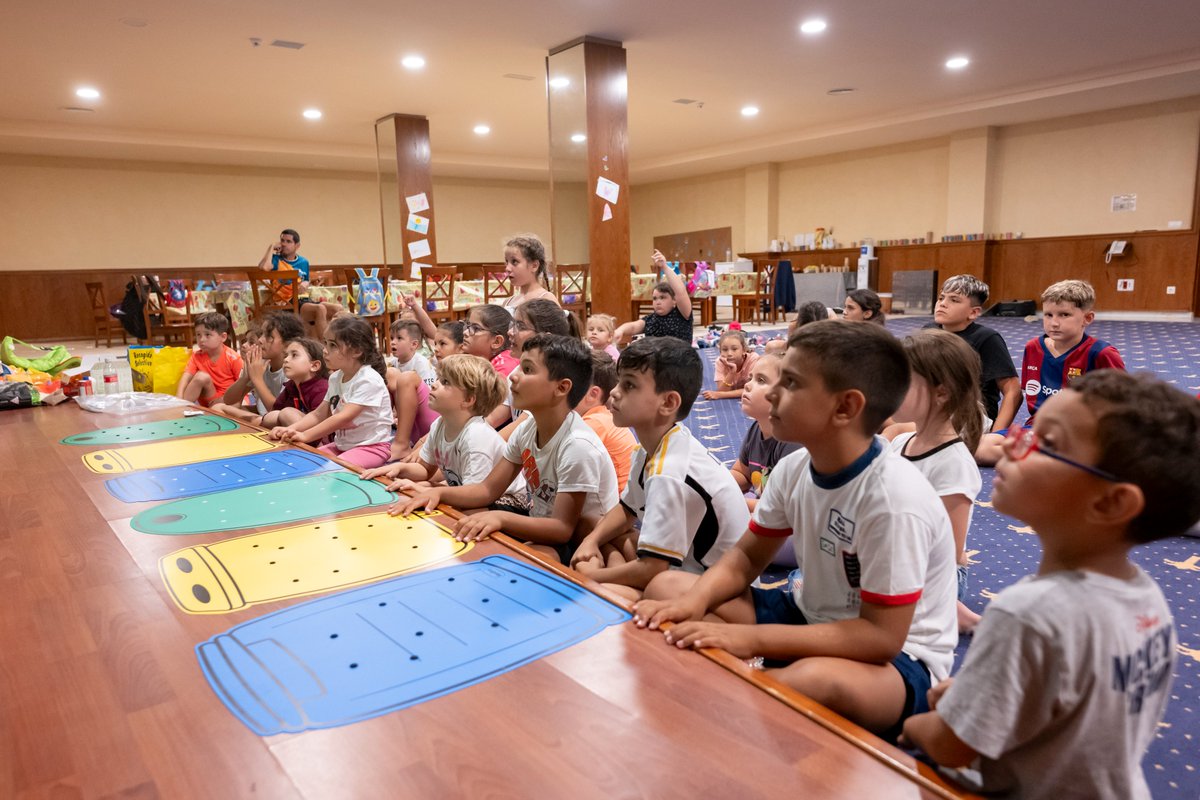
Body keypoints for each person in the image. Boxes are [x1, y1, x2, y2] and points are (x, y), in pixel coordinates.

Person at [633, 320, 957, 739]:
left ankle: (747, 693)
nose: (771, 394)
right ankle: (756, 677)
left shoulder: (893, 500)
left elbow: (880, 638)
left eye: (790, 383)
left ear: (845, 408)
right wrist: (695, 602)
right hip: (811, 617)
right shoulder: (793, 468)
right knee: (669, 589)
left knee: (817, 682)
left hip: (899, 661)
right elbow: (747, 557)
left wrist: (751, 640)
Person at [902, 371, 1200, 800]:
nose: (1012, 446)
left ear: (1112, 502)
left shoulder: (1028, 612)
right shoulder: (1147, 598)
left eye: (1048, 444)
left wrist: (915, 722)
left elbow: (950, 745)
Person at [396, 334, 618, 563]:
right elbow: (486, 490)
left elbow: (562, 529)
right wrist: (438, 492)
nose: (513, 376)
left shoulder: (577, 445)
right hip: (542, 525)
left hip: (586, 542)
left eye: (528, 370)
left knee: (522, 559)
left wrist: (500, 518)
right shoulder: (527, 430)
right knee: (468, 520)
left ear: (561, 388)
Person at [571, 337, 749, 601]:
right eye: (620, 381)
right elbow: (627, 510)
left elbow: (654, 569)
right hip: (675, 567)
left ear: (668, 403)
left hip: (710, 586)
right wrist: (592, 541)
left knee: (591, 592)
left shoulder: (669, 471)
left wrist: (588, 577)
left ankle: (609, 579)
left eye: (629, 385)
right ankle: (611, 569)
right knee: (593, 526)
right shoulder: (655, 444)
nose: (616, 392)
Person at [885, 329, 985, 633]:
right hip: (892, 554)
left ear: (941, 393)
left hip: (934, 575)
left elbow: (949, 555)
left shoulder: (953, 464)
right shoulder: (899, 443)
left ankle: (958, 614)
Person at [975, 279, 1126, 466]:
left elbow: (1123, 404)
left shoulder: (1101, 353)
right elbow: (1033, 395)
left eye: (1064, 315)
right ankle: (1052, 459)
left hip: (1079, 433)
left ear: (1087, 318)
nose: (1054, 323)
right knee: (981, 448)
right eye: (1048, 315)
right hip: (1038, 428)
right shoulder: (1033, 347)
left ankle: (1052, 458)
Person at [362, 354, 527, 510]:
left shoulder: (476, 435)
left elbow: (475, 496)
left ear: (468, 400)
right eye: (439, 378)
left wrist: (427, 490)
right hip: (469, 493)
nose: (434, 384)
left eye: (445, 382)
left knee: (447, 514)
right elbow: (426, 470)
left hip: (508, 500)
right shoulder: (440, 424)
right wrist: (400, 468)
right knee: (410, 490)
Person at [268, 316, 394, 469]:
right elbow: (318, 414)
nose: (325, 350)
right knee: (305, 462)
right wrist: (291, 429)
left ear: (357, 351)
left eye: (333, 345)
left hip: (372, 448)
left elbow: (343, 417)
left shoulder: (367, 379)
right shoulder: (335, 377)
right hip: (342, 446)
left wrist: (305, 435)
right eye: (325, 343)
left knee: (330, 470)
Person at [925, 275, 1019, 438]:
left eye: (954, 300)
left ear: (973, 312)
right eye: (941, 298)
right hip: (933, 407)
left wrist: (995, 435)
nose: (943, 304)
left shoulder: (986, 338)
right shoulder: (928, 331)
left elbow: (1013, 391)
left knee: (898, 431)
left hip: (969, 415)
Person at [730, 352, 800, 512]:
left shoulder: (792, 442)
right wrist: (717, 486)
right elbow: (742, 473)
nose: (747, 385)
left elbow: (783, 509)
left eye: (761, 380)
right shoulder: (757, 428)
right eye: (750, 378)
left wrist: (730, 501)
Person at [212, 311, 305, 423]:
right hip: (264, 417)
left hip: (281, 421)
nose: (260, 340)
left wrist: (257, 379)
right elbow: (229, 400)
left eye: (268, 336)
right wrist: (245, 378)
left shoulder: (291, 369)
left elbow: (278, 411)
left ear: (288, 343)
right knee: (217, 407)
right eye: (262, 334)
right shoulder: (261, 363)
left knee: (268, 418)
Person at [574, 351, 637, 492]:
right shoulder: (599, 416)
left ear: (593, 394)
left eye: (570, 383)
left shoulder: (594, 423)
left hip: (619, 504)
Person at [615, 249, 694, 345]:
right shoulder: (651, 319)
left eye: (663, 297)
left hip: (679, 358)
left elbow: (680, 291)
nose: (658, 302)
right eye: (655, 298)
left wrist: (664, 267)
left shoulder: (682, 314)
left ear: (674, 301)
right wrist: (620, 330)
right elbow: (634, 327)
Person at [176, 312, 244, 407]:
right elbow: (185, 377)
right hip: (210, 401)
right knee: (201, 377)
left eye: (207, 335)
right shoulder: (197, 356)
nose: (202, 339)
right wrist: (178, 399)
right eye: (198, 335)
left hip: (228, 401)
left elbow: (244, 384)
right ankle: (181, 408)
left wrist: (236, 403)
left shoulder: (233, 358)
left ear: (223, 337)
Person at [260, 337, 330, 429]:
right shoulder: (291, 386)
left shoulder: (322, 388)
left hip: (320, 436)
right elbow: (275, 410)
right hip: (297, 431)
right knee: (270, 417)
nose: (286, 360)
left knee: (287, 413)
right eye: (286, 355)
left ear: (314, 365)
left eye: (294, 355)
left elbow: (323, 424)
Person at [501, 233, 559, 309]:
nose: (507, 268)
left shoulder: (547, 300)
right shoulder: (508, 302)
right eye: (507, 261)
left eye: (514, 261)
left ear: (534, 266)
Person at [702, 329, 759, 400]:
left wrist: (720, 395)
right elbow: (722, 391)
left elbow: (752, 390)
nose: (729, 354)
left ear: (744, 350)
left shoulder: (753, 359)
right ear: (720, 352)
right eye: (725, 350)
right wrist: (732, 372)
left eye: (734, 349)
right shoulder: (720, 362)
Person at [387, 319, 436, 387]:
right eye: (392, 338)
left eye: (399, 338)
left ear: (414, 344)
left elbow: (427, 392)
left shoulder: (421, 363)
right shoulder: (392, 364)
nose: (393, 342)